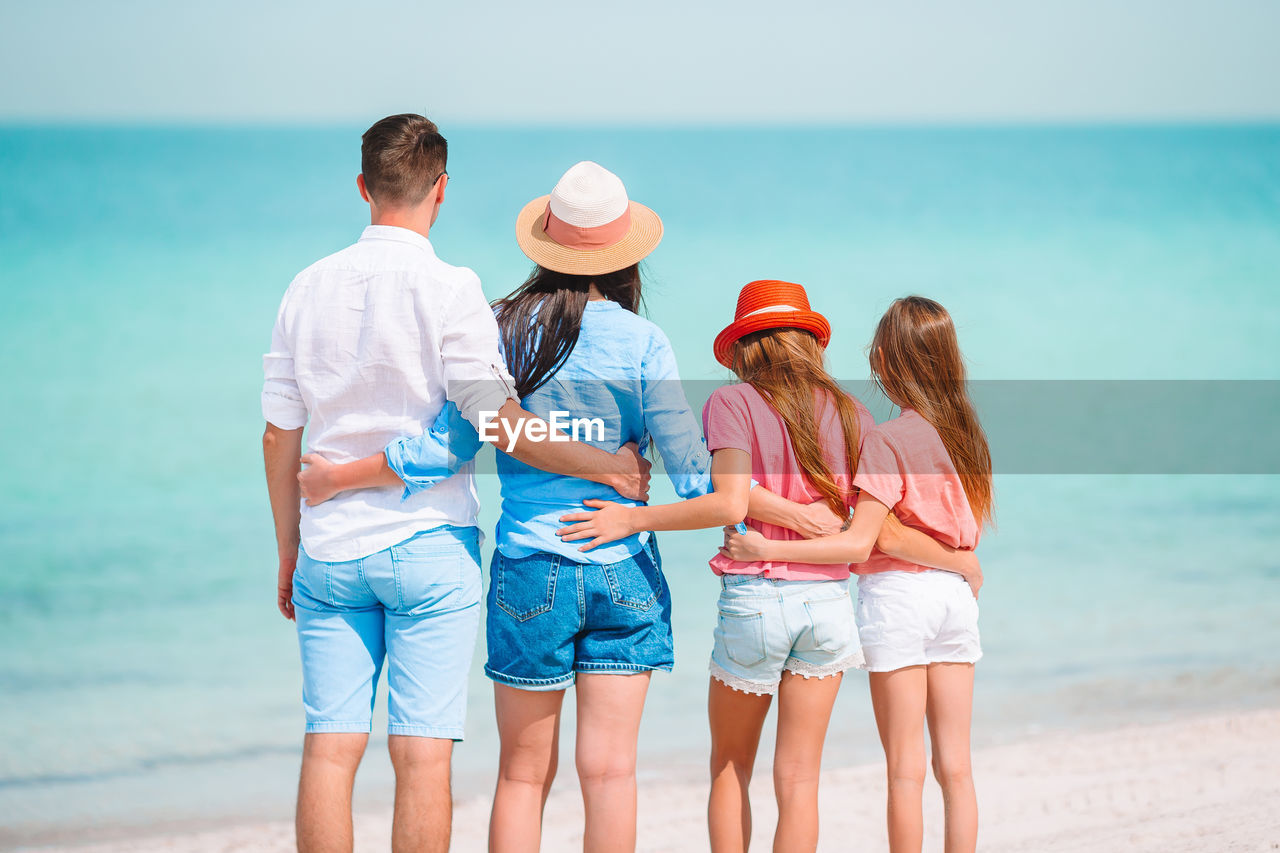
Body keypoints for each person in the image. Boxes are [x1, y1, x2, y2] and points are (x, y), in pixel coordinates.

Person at [298, 161, 715, 853]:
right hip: (623, 567)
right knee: (611, 774)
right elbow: (694, 472)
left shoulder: (501, 329)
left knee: (523, 776)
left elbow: (451, 443)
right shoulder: (644, 342)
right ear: (626, 257)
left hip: (529, 569)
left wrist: (346, 476)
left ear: (544, 245)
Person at [555, 282, 980, 853]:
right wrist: (960, 559)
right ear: (810, 343)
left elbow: (729, 497)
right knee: (800, 778)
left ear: (743, 348)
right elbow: (864, 522)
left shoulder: (731, 404)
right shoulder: (855, 414)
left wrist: (638, 518)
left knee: (730, 766)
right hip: (828, 606)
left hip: (756, 599)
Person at [721, 295, 991, 853]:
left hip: (898, 597)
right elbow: (953, 532)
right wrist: (961, 560)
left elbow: (874, 539)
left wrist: (759, 547)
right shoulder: (967, 438)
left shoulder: (888, 439)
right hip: (957, 600)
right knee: (957, 768)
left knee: (904, 770)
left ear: (887, 362)